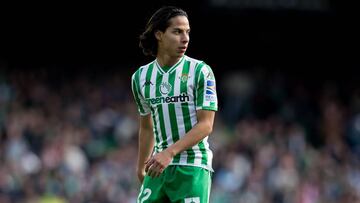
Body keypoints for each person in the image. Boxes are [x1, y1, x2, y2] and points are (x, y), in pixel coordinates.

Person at [131, 6, 218, 203]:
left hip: (193, 166)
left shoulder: (200, 71)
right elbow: (146, 127)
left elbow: (206, 125)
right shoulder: (140, 77)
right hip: (158, 167)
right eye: (177, 31)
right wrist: (140, 166)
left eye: (187, 32)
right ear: (159, 34)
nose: (185, 38)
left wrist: (169, 153)